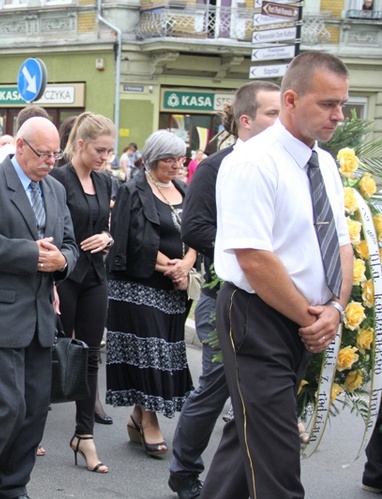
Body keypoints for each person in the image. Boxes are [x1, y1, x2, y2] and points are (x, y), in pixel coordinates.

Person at [201, 51, 353, 499]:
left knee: (249, 438)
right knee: (277, 459)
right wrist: (313, 319)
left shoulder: (322, 162)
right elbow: (254, 257)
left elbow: (341, 244)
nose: (339, 115)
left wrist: (336, 308)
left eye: (342, 104)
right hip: (257, 317)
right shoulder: (253, 161)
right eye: (328, 104)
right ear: (290, 99)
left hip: (306, 319)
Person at [167, 80, 281, 499]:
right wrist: (248, 247)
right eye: (272, 113)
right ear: (246, 121)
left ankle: (246, 477)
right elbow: (193, 227)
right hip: (226, 294)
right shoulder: (216, 167)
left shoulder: (283, 166)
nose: (281, 121)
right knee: (216, 386)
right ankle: (184, 473)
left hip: (272, 298)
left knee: (255, 394)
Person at [0, 116, 78, 499]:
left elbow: (69, 245)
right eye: (43, 154)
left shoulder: (55, 189)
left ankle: (13, 485)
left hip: (40, 314)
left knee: (36, 408)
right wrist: (30, 254)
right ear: (20, 146)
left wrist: (63, 263)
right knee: (9, 402)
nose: (50, 162)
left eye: (56, 155)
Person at [106, 130, 195, 458]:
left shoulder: (184, 189)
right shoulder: (133, 190)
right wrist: (168, 267)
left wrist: (185, 265)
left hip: (174, 289)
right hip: (138, 287)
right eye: (169, 159)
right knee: (149, 355)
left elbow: (197, 231)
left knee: (165, 354)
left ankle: (137, 417)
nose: (176, 165)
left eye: (180, 158)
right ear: (153, 159)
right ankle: (150, 421)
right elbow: (129, 239)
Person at [49, 112, 115, 474]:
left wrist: (107, 237)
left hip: (94, 277)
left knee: (90, 356)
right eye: (99, 150)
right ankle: (27, 428)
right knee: (51, 352)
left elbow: (106, 226)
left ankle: (84, 435)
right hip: (64, 276)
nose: (105, 157)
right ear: (80, 145)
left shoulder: (105, 182)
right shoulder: (59, 178)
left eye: (109, 150)